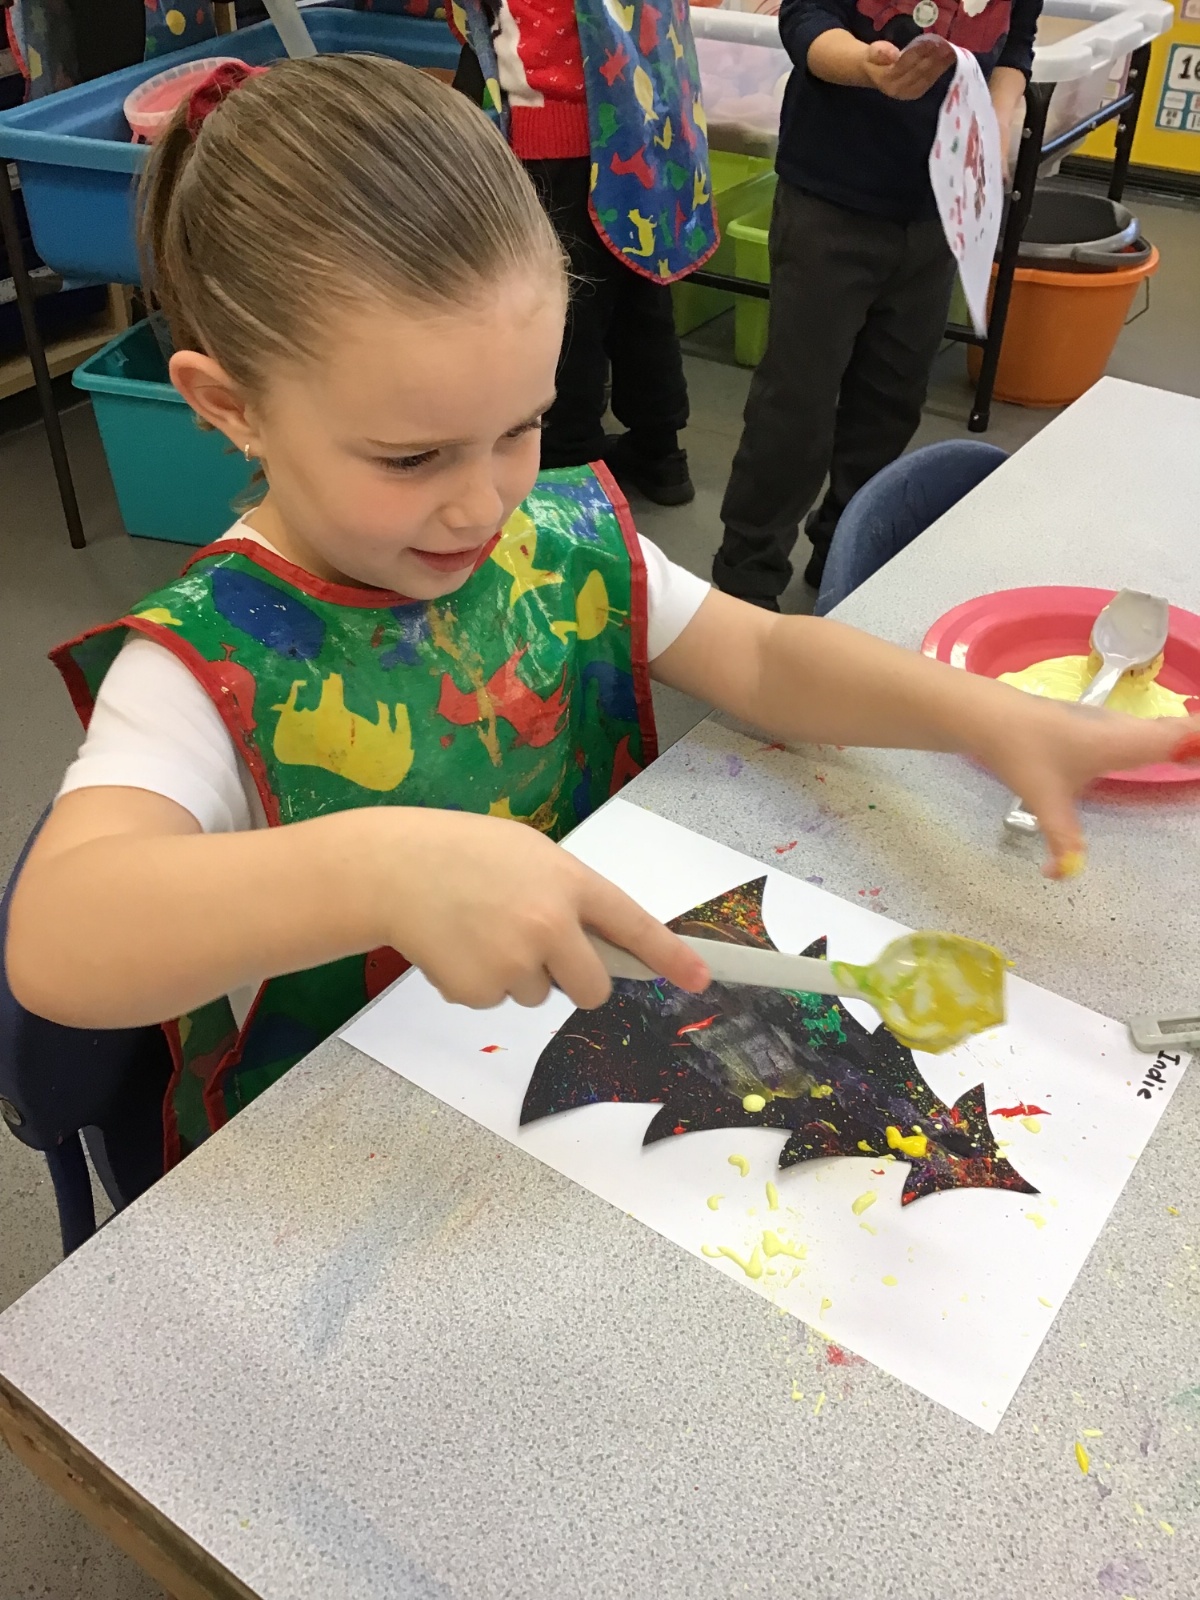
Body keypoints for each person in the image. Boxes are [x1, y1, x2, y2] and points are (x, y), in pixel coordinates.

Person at [7, 56, 1195, 1169]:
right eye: (412, 456)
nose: (482, 503)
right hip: (369, 1150)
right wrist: (381, 867)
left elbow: (765, 660)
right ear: (231, 407)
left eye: (520, 426)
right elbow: (61, 942)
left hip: (591, 1077)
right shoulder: (202, 663)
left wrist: (984, 716)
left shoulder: (559, 538)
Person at [712, 0, 1041, 609]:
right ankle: (746, 574)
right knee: (797, 401)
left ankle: (846, 550)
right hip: (831, 200)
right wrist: (866, 65)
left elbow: (1015, 44)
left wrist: (995, 122)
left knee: (893, 397)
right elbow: (805, 20)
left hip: (939, 210)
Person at [449, 0, 717, 505]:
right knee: (641, 289)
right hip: (642, 132)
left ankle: (572, 465)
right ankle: (661, 453)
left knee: (566, 311)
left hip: (552, 137)